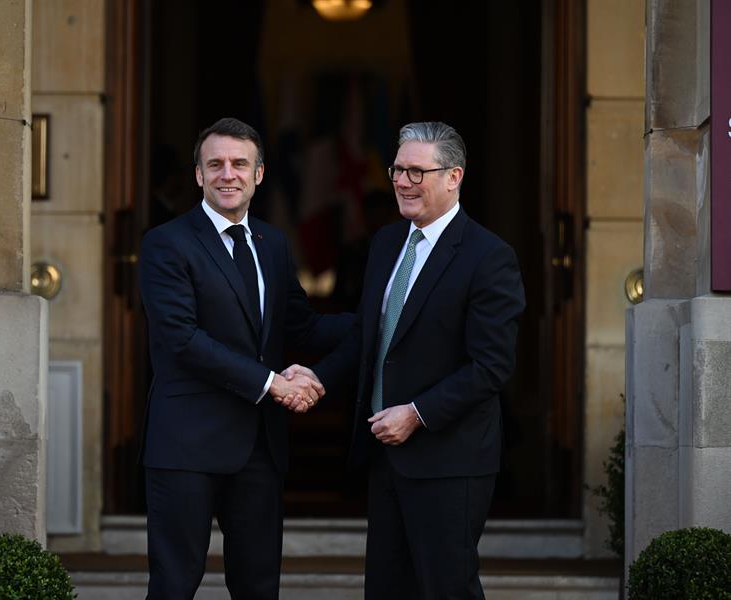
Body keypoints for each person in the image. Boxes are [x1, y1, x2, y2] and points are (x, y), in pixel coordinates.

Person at [291, 121, 525, 598]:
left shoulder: (488, 256)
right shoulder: (386, 243)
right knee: (386, 589)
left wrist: (417, 414)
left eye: (417, 172)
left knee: (445, 588)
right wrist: (318, 375)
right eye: (398, 169)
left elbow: (491, 366)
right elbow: (370, 336)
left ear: (454, 177)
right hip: (386, 457)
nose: (401, 181)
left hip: (449, 458)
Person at [139, 117, 352, 600]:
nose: (227, 174)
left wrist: (381, 319)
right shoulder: (165, 243)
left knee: (259, 587)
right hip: (186, 444)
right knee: (174, 584)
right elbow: (182, 340)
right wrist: (274, 384)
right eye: (215, 164)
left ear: (259, 174)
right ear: (198, 175)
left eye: (239, 164)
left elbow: (301, 326)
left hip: (258, 447)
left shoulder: (272, 244)